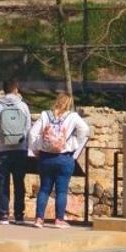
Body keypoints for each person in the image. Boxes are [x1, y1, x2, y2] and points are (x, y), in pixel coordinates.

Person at [28, 92, 90, 228]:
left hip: (45, 157)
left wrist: (36, 148)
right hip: (64, 157)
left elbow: (32, 133)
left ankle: (39, 219)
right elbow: (85, 130)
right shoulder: (73, 116)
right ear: (69, 103)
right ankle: (59, 220)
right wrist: (73, 143)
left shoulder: (45, 115)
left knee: (44, 189)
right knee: (61, 191)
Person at [0, 79, 32, 224]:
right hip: (20, 149)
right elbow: (28, 128)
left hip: (2, 149)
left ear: (4, 90)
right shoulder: (23, 106)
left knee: (2, 182)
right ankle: (19, 215)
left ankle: (3, 215)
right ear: (16, 89)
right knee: (19, 182)